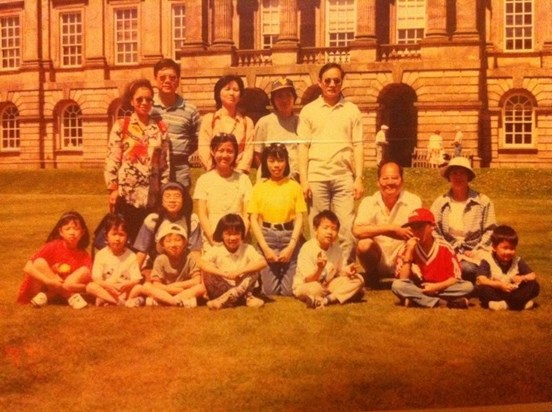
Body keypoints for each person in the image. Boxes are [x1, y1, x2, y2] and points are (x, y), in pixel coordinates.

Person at [298, 63, 364, 263]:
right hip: (316, 177)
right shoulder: (309, 111)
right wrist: (304, 180)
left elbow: (358, 146)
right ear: (320, 83)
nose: (332, 84)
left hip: (343, 177)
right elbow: (303, 147)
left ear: (342, 82)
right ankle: (319, 270)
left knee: (345, 228)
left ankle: (345, 271)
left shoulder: (352, 110)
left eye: (337, 80)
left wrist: (359, 178)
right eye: (328, 80)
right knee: (318, 229)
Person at [104, 79, 170, 243]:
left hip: (151, 197)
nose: (144, 103)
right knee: (124, 239)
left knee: (147, 241)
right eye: (139, 99)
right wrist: (112, 188)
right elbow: (112, 159)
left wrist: (164, 191)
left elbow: (165, 164)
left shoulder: (160, 128)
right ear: (132, 101)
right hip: (126, 195)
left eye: (148, 99)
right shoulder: (122, 125)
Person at [248, 144, 307, 296]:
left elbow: (300, 217)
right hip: (268, 237)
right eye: (272, 161)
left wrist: (292, 246)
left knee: (288, 292)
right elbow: (253, 219)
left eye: (280, 161)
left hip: (289, 237)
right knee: (270, 291)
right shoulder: (259, 188)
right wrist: (265, 249)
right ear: (265, 163)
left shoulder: (294, 186)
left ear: (286, 162)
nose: (276, 165)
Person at [353, 162, 422, 288]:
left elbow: (417, 233)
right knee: (363, 244)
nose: (390, 182)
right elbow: (357, 231)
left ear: (402, 181)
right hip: (377, 256)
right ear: (378, 182)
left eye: (395, 178)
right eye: (385, 178)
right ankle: (373, 275)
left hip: (402, 255)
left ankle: (404, 273)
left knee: (414, 244)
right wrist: (392, 228)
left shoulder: (413, 201)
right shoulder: (369, 202)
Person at [431, 156, 496, 283]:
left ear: (468, 177)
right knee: (463, 268)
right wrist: (449, 249)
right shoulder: (440, 202)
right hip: (448, 250)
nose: (458, 177)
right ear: (449, 177)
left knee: (469, 268)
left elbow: (490, 230)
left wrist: (476, 249)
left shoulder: (483, 201)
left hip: (476, 251)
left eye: (462, 173)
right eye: (454, 173)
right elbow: (433, 230)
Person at [391, 208, 474, 309]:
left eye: (420, 227)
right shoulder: (407, 247)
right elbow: (403, 279)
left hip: (442, 286)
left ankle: (418, 300)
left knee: (467, 286)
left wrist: (435, 287)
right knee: (397, 285)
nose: (416, 231)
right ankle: (442, 302)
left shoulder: (445, 247)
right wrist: (409, 253)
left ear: (432, 227)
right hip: (419, 287)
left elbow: (455, 278)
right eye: (413, 228)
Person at [17, 211, 91, 309]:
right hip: (40, 289)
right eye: (67, 229)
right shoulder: (52, 246)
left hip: (56, 292)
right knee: (39, 262)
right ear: (61, 232)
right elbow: (27, 267)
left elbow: (87, 283)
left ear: (82, 232)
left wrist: (67, 286)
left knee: (85, 270)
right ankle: (70, 296)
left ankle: (47, 296)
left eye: (76, 229)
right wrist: (48, 281)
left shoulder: (84, 255)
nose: (72, 232)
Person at [293, 210, 364, 309]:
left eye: (334, 229)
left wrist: (346, 271)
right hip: (307, 285)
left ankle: (325, 300)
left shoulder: (336, 249)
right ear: (315, 230)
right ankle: (339, 295)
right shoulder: (307, 248)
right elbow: (308, 280)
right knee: (316, 289)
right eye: (325, 228)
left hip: (328, 285)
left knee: (359, 279)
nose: (330, 232)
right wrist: (319, 268)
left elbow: (338, 272)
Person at [193, 133, 252, 250]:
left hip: (239, 238)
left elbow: (247, 215)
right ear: (212, 151)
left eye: (229, 151)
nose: (224, 155)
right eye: (220, 150)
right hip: (213, 239)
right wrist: (212, 239)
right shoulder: (204, 180)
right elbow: (203, 215)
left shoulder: (244, 179)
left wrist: (238, 239)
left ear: (236, 154)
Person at [199, 214, 267, 310]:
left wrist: (239, 271)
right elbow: (201, 263)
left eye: (236, 234)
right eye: (228, 234)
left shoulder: (247, 248)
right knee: (207, 271)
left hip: (241, 284)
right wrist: (224, 274)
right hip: (221, 289)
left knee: (254, 270)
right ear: (221, 234)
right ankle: (245, 298)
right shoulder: (217, 249)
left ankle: (224, 300)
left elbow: (263, 262)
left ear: (242, 234)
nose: (232, 238)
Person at [151, 58, 201, 189]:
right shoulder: (148, 109)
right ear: (155, 80)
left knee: (181, 206)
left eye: (172, 78)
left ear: (178, 81)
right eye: (162, 78)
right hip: (153, 170)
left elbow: (197, 139)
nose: (167, 81)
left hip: (180, 170)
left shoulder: (190, 110)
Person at [133, 181, 201, 277]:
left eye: (177, 196)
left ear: (183, 200)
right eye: (167, 196)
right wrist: (132, 276)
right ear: (161, 200)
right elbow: (141, 252)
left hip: (184, 268)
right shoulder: (153, 220)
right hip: (157, 267)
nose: (172, 200)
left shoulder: (191, 220)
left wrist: (198, 275)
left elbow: (195, 252)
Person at [198, 75, 254, 174]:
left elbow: (249, 150)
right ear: (218, 93)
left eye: (236, 90)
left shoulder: (247, 122)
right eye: (227, 89)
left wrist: (239, 173)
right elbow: (203, 147)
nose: (231, 93)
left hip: (238, 176)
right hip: (213, 175)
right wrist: (213, 171)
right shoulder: (209, 120)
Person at [476, 225, 539, 311]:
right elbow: (481, 279)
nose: (508, 252)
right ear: (494, 247)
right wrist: (499, 285)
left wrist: (522, 278)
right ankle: (520, 303)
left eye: (512, 248)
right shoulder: (487, 260)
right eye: (505, 248)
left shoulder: (517, 260)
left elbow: (532, 275)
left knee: (534, 285)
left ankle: (505, 304)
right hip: (497, 291)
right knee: (482, 289)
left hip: (513, 291)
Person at [141, 222, 204, 307]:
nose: (173, 244)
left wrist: (176, 286)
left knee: (200, 288)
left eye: (178, 240)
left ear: (184, 243)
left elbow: (196, 280)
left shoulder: (190, 257)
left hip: (183, 291)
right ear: (162, 245)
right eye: (168, 241)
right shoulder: (160, 259)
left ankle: (163, 302)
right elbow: (156, 284)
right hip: (165, 291)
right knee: (146, 286)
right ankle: (176, 302)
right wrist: (173, 290)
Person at [86, 214, 143, 307]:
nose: (117, 239)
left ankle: (107, 301)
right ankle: (118, 302)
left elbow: (136, 279)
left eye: (121, 235)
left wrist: (126, 285)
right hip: (107, 288)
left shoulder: (131, 255)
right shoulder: (101, 254)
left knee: (139, 287)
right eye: (114, 234)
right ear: (106, 236)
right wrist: (108, 286)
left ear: (127, 238)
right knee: (90, 287)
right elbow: (96, 278)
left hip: (124, 289)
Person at [254, 78, 300, 180]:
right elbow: (258, 154)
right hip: (270, 180)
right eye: (279, 96)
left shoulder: (301, 121)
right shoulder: (264, 122)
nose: (284, 100)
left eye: (288, 95)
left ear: (294, 98)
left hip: (294, 180)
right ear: (273, 101)